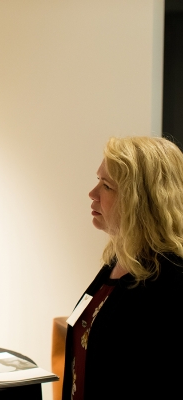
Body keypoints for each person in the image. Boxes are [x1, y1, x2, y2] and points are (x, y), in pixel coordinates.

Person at [62, 136, 183, 400]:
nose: (92, 194)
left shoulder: (172, 278)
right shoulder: (116, 263)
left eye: (106, 186)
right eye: (98, 180)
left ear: (141, 201)